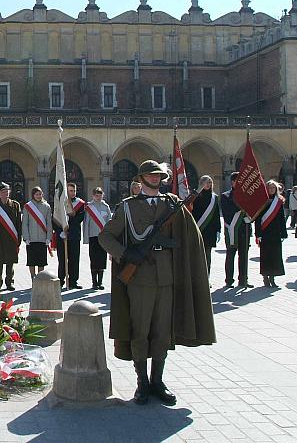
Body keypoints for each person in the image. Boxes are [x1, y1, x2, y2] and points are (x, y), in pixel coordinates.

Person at [99, 159, 215, 406]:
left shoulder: (172, 203)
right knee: (140, 331)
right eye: (149, 175)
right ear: (140, 179)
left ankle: (157, 381)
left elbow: (189, 234)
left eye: (158, 175)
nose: (154, 179)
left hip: (167, 277)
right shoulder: (128, 207)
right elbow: (105, 237)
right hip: (139, 278)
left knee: (163, 331)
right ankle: (142, 382)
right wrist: (125, 254)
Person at [0, 182, 22, 292]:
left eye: (7, 191)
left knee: (10, 262)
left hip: (11, 238)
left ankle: (9, 282)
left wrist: (19, 239)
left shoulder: (15, 205)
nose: (5, 194)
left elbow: (18, 224)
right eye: (2, 192)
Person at [220, 172, 253, 289]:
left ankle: (243, 280)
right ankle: (229, 280)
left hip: (244, 229)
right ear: (233, 182)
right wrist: (241, 212)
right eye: (237, 181)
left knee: (243, 256)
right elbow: (226, 212)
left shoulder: (247, 195)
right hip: (232, 230)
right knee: (230, 255)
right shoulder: (225, 196)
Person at [255, 180, 287, 288]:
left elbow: (282, 218)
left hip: (275, 233)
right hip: (265, 232)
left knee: (275, 255)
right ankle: (265, 277)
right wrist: (258, 233)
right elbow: (258, 219)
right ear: (266, 189)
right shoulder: (262, 201)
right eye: (269, 188)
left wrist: (284, 233)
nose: (271, 190)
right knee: (265, 255)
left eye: (273, 188)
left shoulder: (278, 201)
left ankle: (272, 278)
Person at [53, 182, 85, 289]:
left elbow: (79, 219)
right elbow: (55, 219)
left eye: (74, 190)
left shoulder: (80, 203)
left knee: (74, 259)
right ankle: (61, 280)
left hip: (74, 235)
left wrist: (68, 227)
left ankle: (73, 281)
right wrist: (60, 231)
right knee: (62, 260)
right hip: (62, 236)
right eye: (70, 190)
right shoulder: (59, 203)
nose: (73, 193)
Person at [190, 175, 221, 279]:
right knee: (197, 255)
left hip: (210, 231)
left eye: (210, 183)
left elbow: (217, 215)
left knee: (208, 256)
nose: (208, 185)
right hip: (198, 228)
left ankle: (206, 278)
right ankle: (197, 278)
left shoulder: (214, 198)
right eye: (206, 182)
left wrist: (218, 230)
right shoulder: (195, 196)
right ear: (201, 183)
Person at [83, 187, 112, 290]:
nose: (98, 197)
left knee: (102, 260)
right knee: (94, 259)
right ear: (93, 196)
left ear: (102, 195)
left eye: (100, 195)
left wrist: (110, 236)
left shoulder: (106, 207)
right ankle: (94, 282)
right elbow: (86, 223)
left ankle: (100, 282)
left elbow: (109, 222)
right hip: (93, 236)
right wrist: (86, 238)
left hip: (103, 236)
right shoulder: (89, 207)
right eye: (96, 195)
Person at [21, 186, 52, 279]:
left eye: (40, 194)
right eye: (36, 194)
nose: (38, 196)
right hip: (31, 239)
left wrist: (48, 238)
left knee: (41, 261)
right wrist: (26, 237)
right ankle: (32, 277)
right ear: (33, 195)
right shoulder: (28, 206)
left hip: (43, 239)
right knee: (31, 261)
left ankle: (40, 278)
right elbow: (25, 223)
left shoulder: (47, 206)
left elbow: (49, 223)